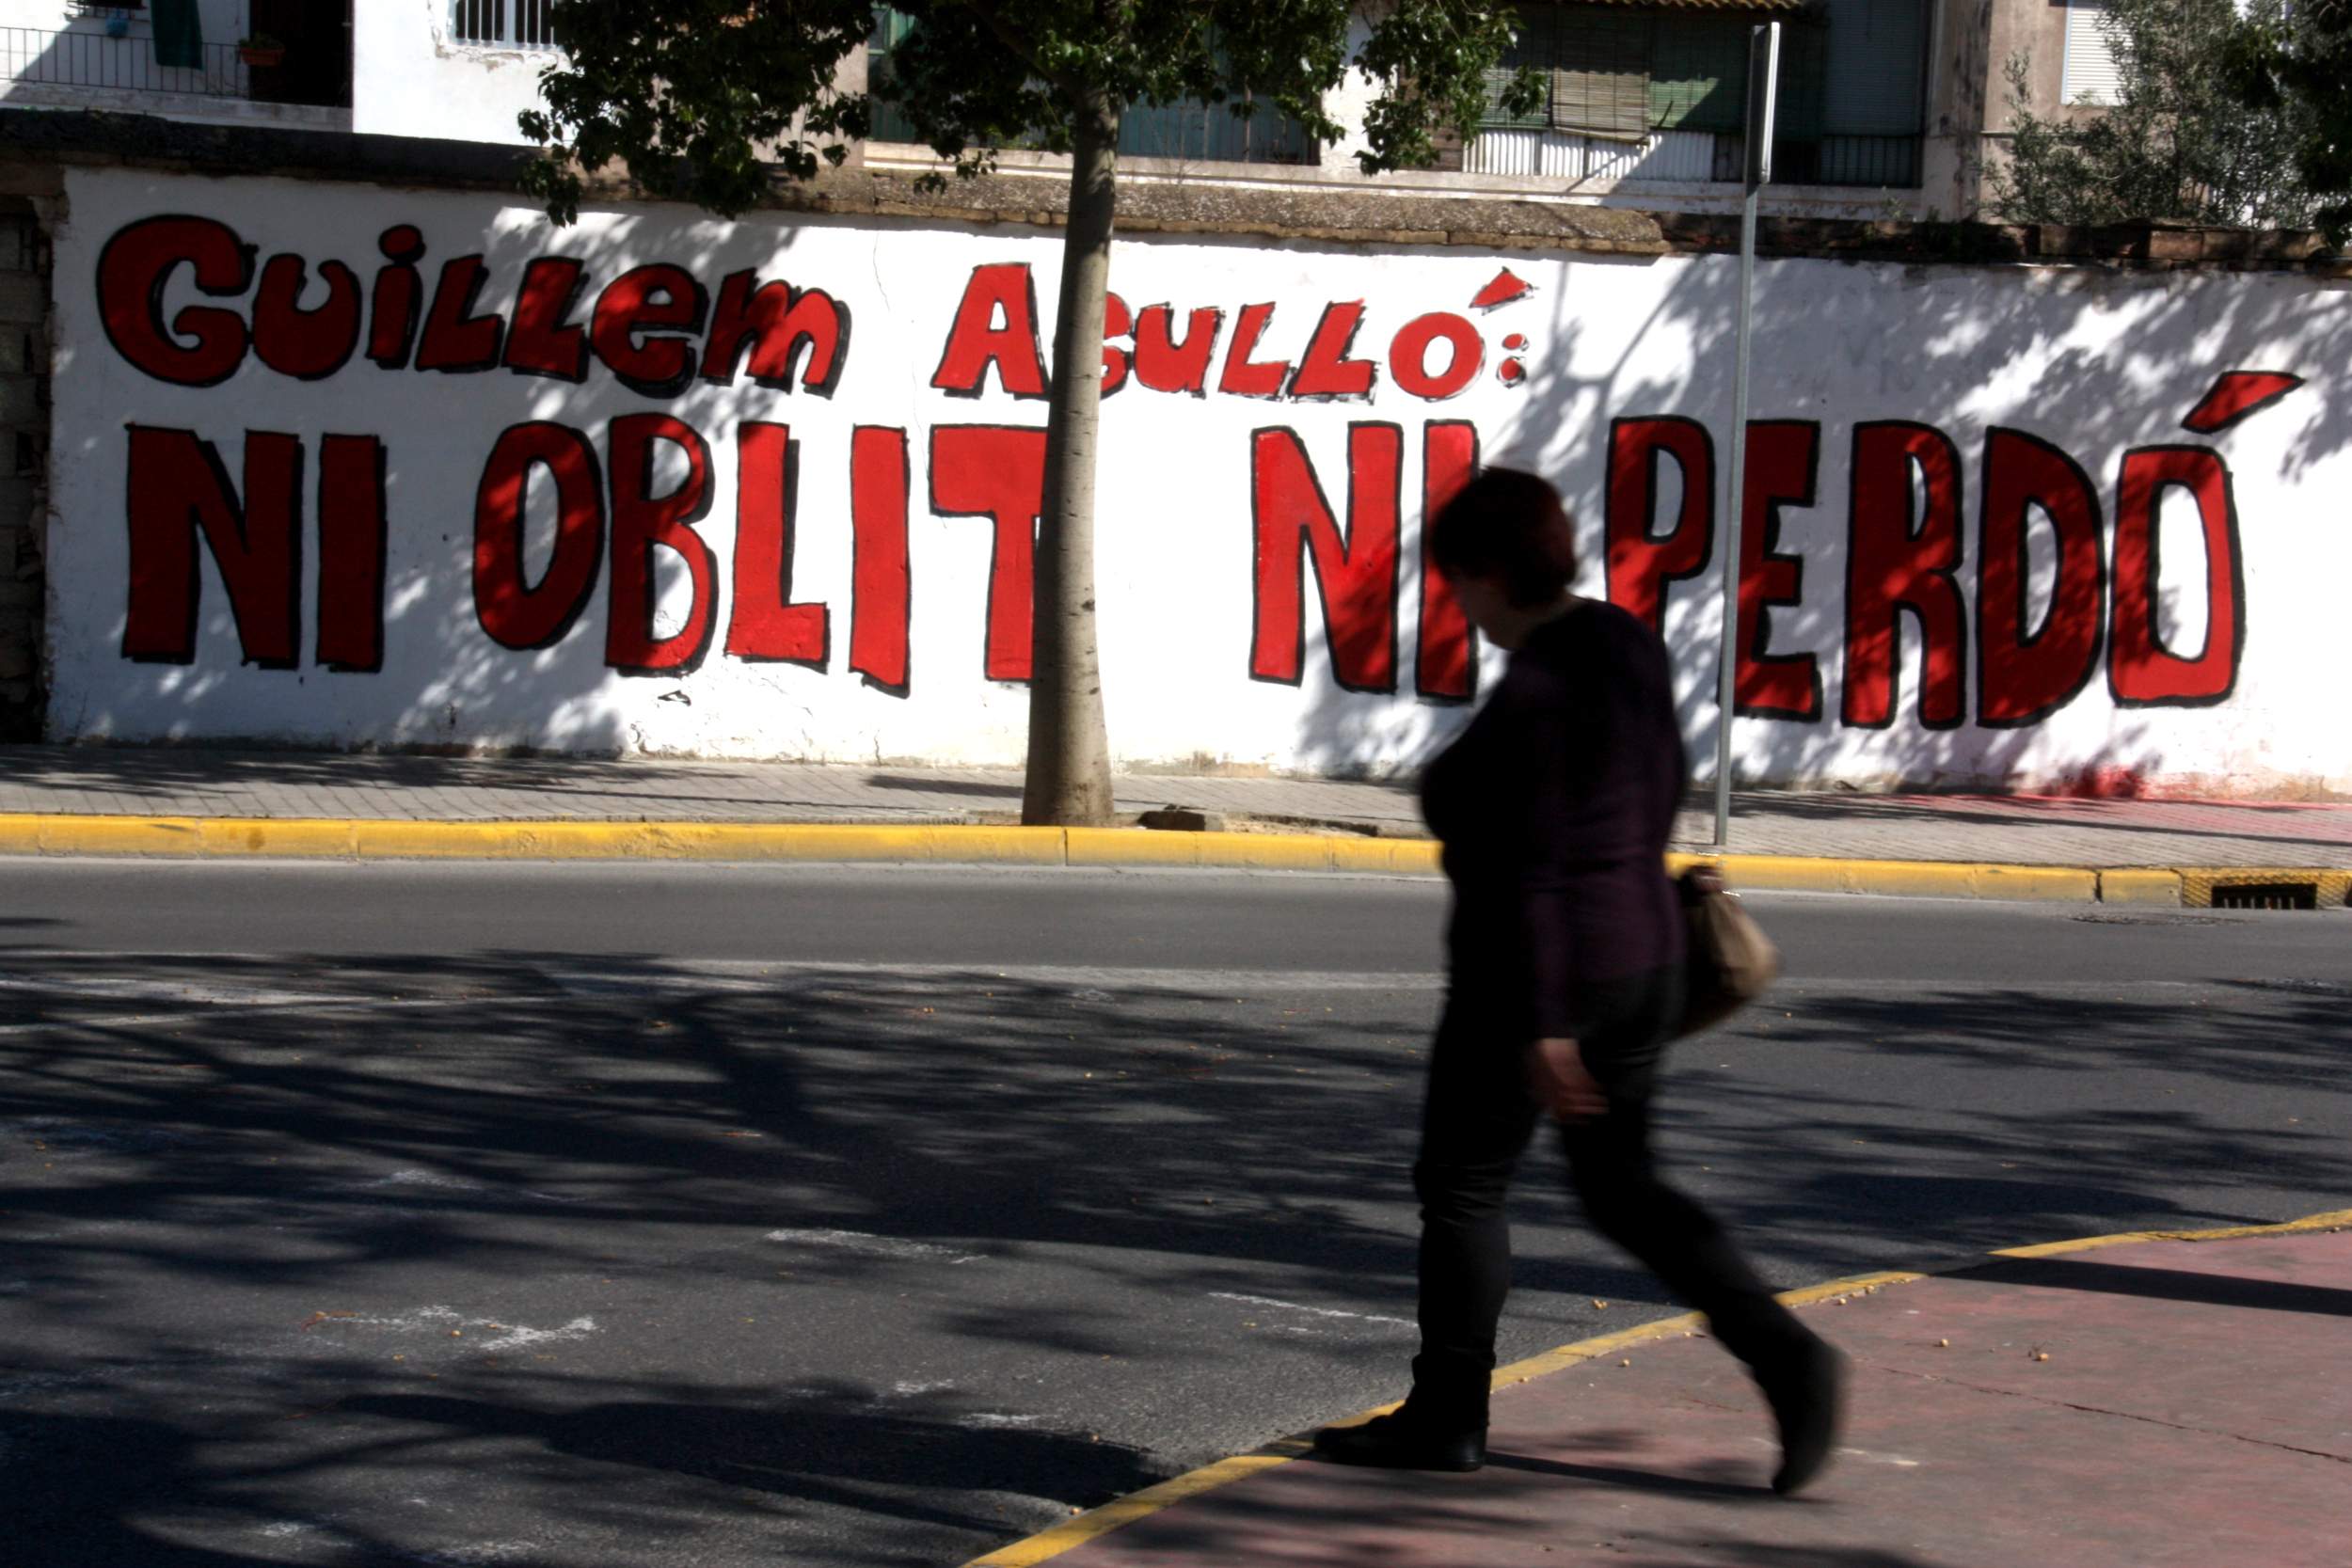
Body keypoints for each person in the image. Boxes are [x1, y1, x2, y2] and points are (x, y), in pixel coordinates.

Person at [1313, 467, 1844, 1496]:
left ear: (1484, 573)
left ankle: (1447, 1412)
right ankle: (1789, 1358)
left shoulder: (1542, 686)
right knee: (1623, 1188)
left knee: (1463, 1182)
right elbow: (1650, 792)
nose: (1454, 604)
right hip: (1643, 955)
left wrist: (1544, 1025)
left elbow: (1533, 866)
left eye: (1456, 581)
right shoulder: (1622, 641)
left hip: (1534, 980)